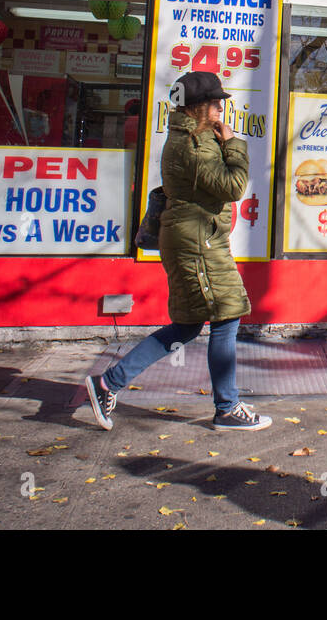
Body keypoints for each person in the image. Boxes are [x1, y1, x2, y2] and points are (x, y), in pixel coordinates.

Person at [85, 71, 270, 432]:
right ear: (200, 107)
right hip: (197, 241)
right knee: (225, 315)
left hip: (196, 238)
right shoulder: (195, 144)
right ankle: (227, 407)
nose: (222, 108)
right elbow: (232, 186)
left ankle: (109, 383)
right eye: (217, 102)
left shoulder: (189, 137)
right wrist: (234, 144)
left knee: (188, 325)